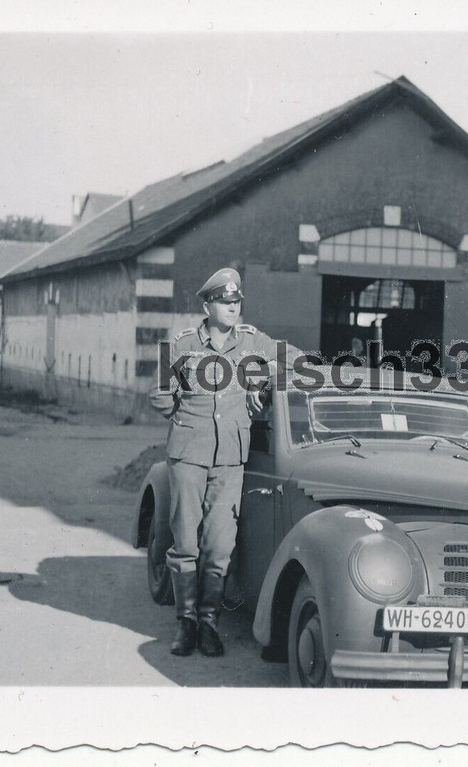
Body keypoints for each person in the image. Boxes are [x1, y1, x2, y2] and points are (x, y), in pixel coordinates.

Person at [150, 267, 298, 657]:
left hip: (231, 458)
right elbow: (160, 396)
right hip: (188, 456)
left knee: (219, 544)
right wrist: (179, 404)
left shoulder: (253, 343)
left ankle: (209, 622)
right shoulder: (181, 345)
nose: (233, 308)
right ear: (207, 305)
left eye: (237, 302)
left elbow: (297, 360)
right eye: (225, 302)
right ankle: (186, 622)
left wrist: (263, 380)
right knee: (185, 541)